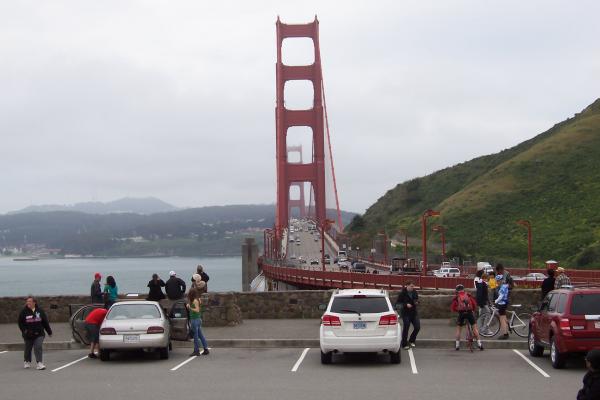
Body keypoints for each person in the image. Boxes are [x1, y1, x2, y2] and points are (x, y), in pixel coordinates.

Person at [18, 296, 53, 370]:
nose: (28, 303)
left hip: (39, 334)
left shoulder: (40, 311)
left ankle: (39, 363)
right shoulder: (23, 311)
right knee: (28, 348)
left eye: (30, 301)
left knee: (38, 347)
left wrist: (49, 332)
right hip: (28, 335)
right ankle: (27, 361)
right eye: (27, 301)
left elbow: (45, 322)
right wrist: (24, 331)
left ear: (34, 302)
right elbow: (20, 323)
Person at [451, 285, 484, 351]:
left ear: (457, 290)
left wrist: (458, 310)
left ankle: (457, 345)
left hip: (461, 314)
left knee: (459, 330)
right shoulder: (468, 296)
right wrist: (472, 310)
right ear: (464, 289)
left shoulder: (456, 297)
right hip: (469, 313)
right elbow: (474, 305)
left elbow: (453, 308)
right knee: (474, 328)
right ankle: (479, 344)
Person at [396, 282, 420, 350]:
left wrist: (416, 302)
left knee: (417, 327)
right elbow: (398, 304)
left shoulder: (414, 292)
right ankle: (404, 344)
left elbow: (416, 299)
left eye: (413, 286)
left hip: (414, 312)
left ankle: (411, 340)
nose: (412, 288)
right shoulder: (402, 293)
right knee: (406, 328)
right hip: (406, 313)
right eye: (411, 286)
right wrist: (406, 305)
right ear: (407, 286)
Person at [186, 286, 209, 356]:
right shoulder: (198, 299)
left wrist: (190, 308)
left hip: (195, 319)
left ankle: (196, 351)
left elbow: (197, 310)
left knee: (195, 336)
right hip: (198, 319)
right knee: (200, 335)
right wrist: (189, 305)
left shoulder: (195, 301)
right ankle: (205, 349)